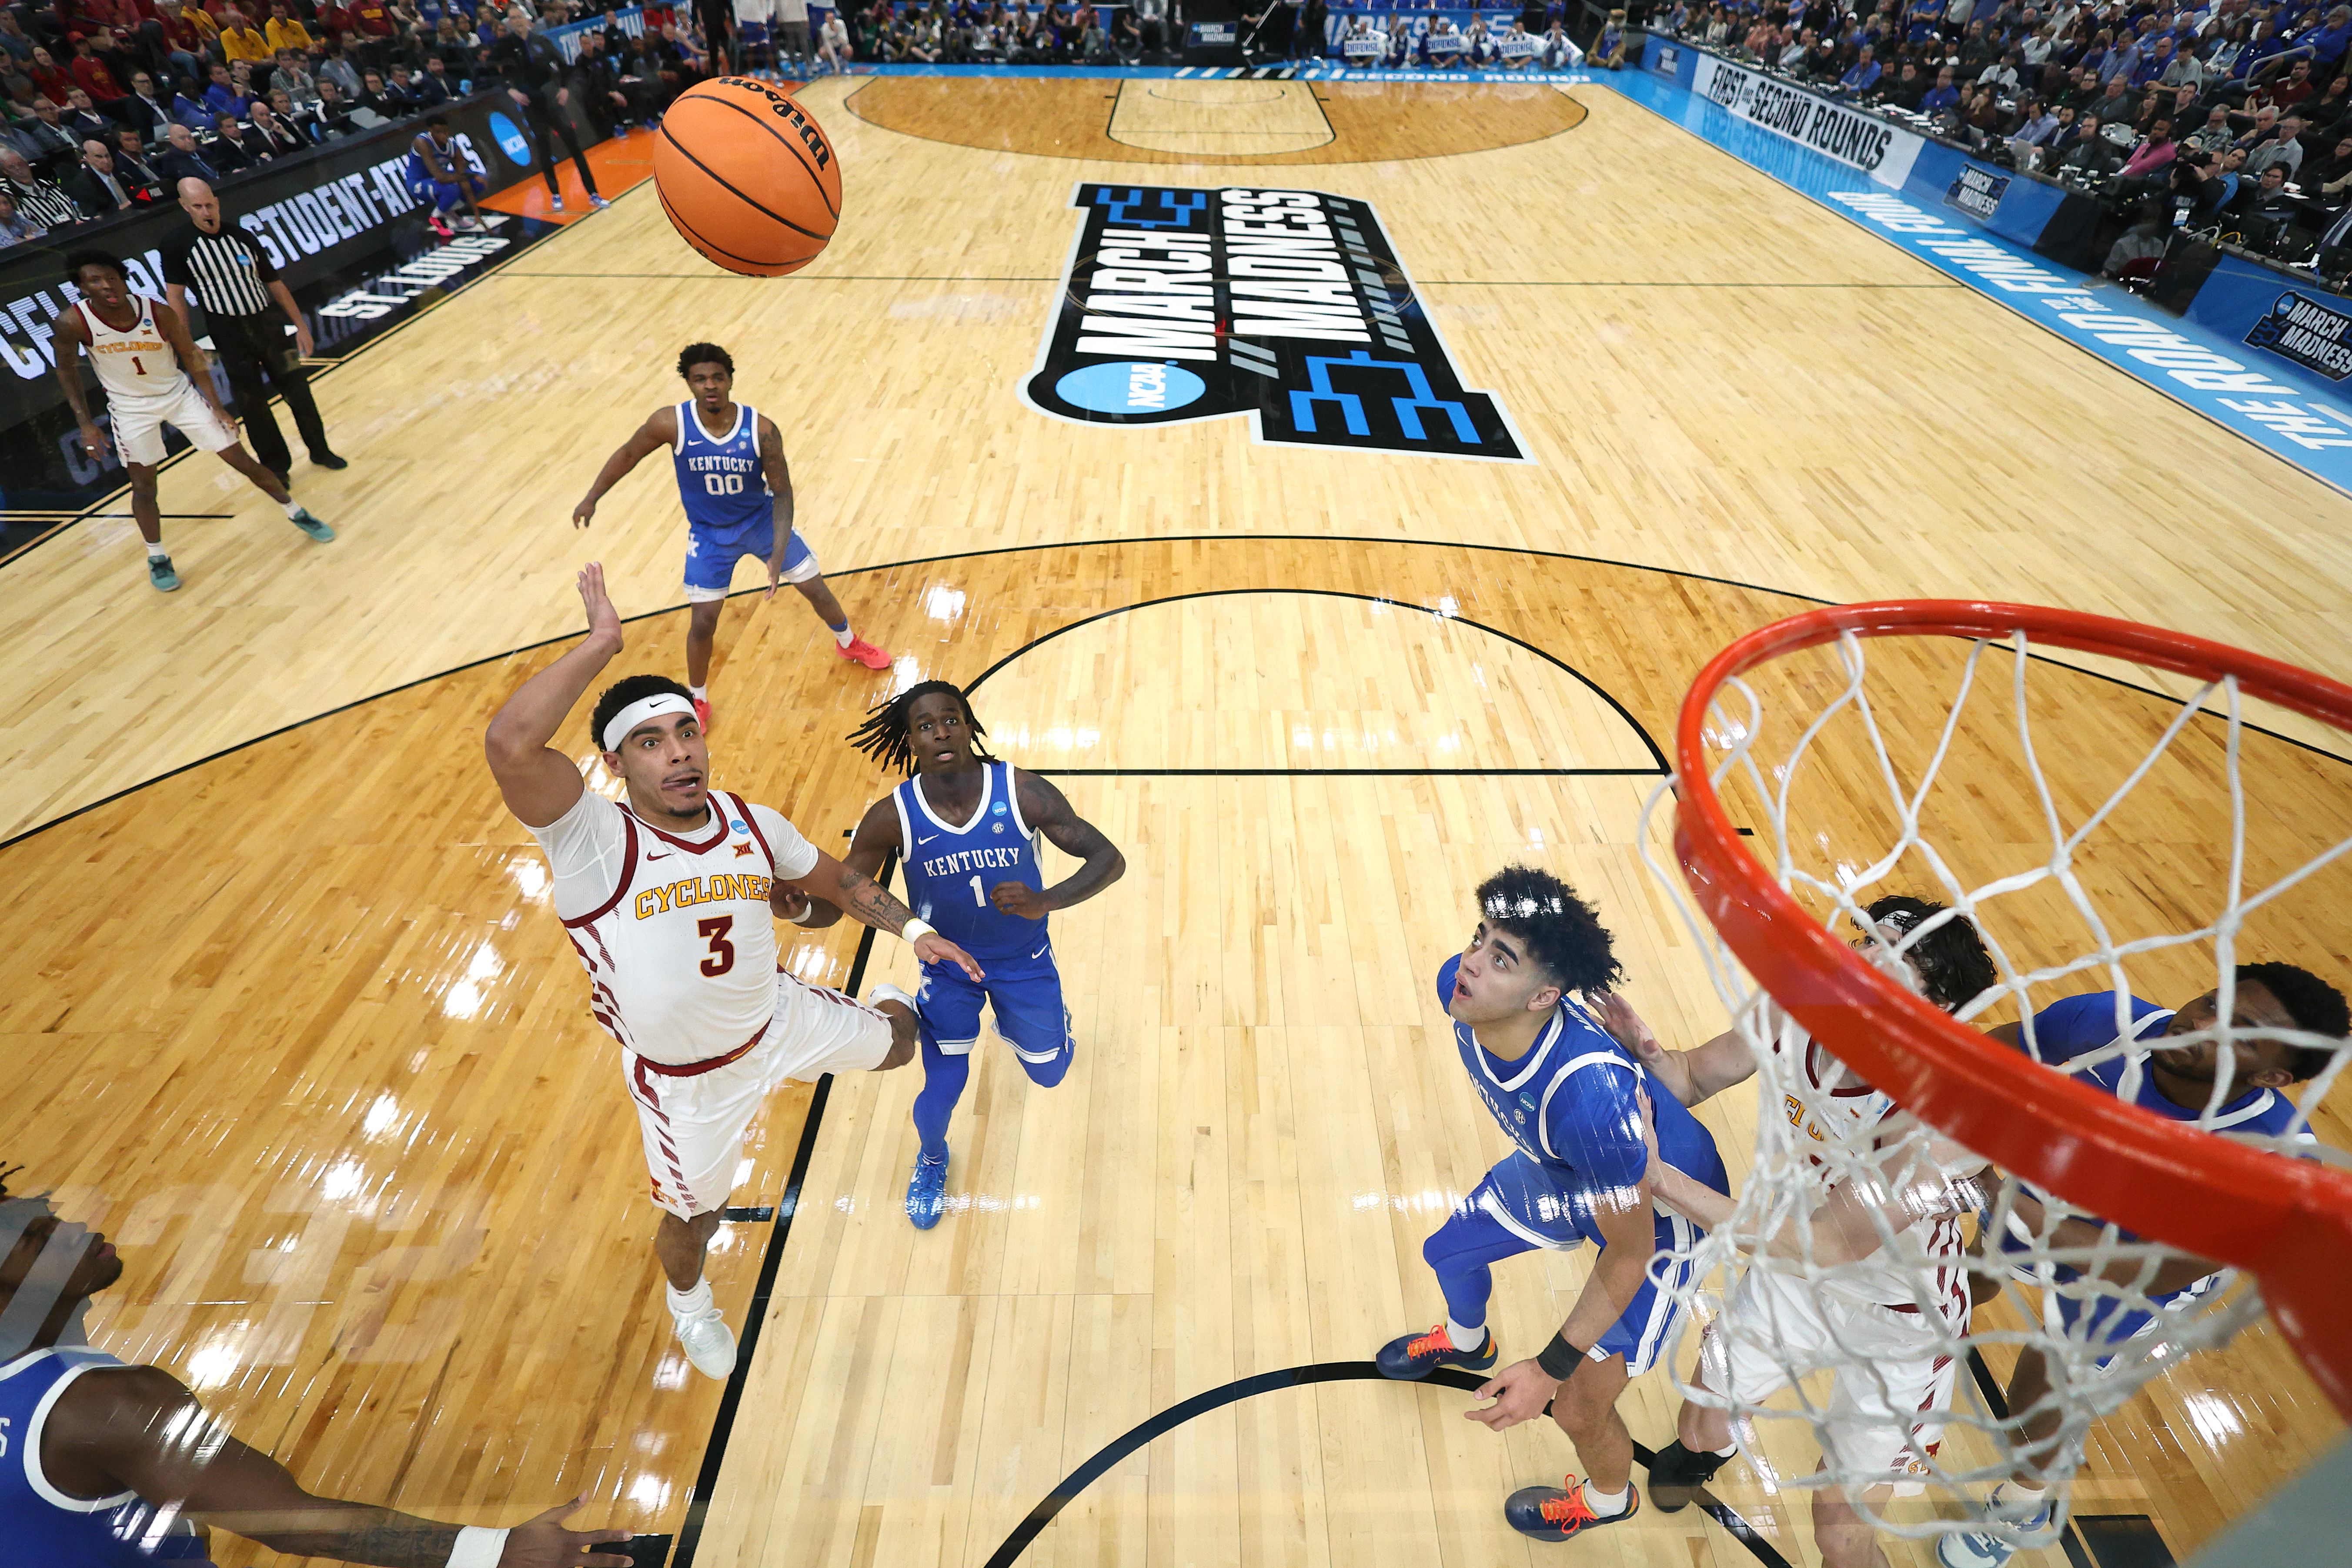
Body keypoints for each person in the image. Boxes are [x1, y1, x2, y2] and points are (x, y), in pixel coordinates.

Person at [484, 564, 980, 1378]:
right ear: (614, 767)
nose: (680, 755)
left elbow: (841, 886)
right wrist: (602, 644)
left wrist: (915, 931)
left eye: (686, 733)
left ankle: (883, 1004)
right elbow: (508, 744)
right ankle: (692, 1306)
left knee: (899, 1045)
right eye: (650, 743)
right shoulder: (589, 840)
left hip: (777, 1019)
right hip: (689, 1085)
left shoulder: (751, 822)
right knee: (696, 1218)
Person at [1605, 898, 2000, 1568]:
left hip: (1900, 1321)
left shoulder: (1941, 1113)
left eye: (1894, 957)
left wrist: (1662, 1178)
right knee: (1699, 1425)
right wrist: (1643, 1047)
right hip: (1794, 1270)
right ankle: (1719, 1447)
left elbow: (1833, 1242)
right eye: (1866, 939)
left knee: (1839, 1529)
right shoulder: (1797, 1005)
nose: (1862, 957)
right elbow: (1696, 1073)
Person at [0, 1166, 638, 1565]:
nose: (75, 1225)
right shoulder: (110, 1406)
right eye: (38, 1237)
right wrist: (498, 1551)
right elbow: (290, 1522)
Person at [1939, 966, 2346, 1568]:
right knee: (1973, 1271)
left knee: (2045, 1382)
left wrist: (1997, 1191)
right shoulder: (2106, 1022)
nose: (2200, 1024)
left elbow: (2135, 1273)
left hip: (2138, 1272)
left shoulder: (2274, 1165)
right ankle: (1935, 1329)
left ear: (2272, 1076)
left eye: (2239, 1031)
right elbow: (1987, 1056)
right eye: (2211, 1001)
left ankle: (2024, 1501)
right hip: (2051, 1190)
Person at [1374, 867, 1729, 1543]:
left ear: (1546, 995)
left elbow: (1630, 1252)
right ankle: (1468, 1341)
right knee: (1446, 1251)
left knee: (1576, 1409)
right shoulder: (1464, 990)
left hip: (1658, 1219)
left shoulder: (1592, 1103)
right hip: (1569, 1170)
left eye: (1499, 958)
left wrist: (1549, 1367)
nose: (1471, 963)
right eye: (1480, 939)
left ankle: (1605, 1500)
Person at [822, 681, 1127, 1229]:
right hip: (947, 970)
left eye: (950, 719)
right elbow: (843, 894)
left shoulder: (1022, 791)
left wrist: (1045, 900)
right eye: (924, 725)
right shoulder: (891, 815)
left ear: (968, 725)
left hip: (1024, 962)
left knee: (1052, 1074)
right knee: (943, 1085)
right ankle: (932, 1157)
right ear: (909, 740)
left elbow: (1108, 857)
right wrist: (798, 908)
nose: (940, 731)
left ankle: (1055, 1026)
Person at [571, 342, 892, 732]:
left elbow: (783, 492)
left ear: (730, 381)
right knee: (704, 622)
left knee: (816, 588)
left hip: (760, 521)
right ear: (689, 384)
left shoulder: (761, 429)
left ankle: (848, 642)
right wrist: (592, 497)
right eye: (700, 379)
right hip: (709, 536)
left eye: (717, 378)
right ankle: (698, 698)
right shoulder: (669, 423)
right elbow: (627, 455)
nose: (710, 386)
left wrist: (776, 557)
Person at [160, 178, 345, 490]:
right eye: (198, 207)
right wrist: (185, 341)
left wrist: (299, 325)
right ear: (184, 206)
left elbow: (274, 282)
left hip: (268, 324)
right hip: (228, 331)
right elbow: (176, 297)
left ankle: (320, 450)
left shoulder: (243, 236)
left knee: (298, 391)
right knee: (253, 404)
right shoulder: (176, 244)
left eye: (209, 205)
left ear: (217, 203)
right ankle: (276, 466)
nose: (206, 212)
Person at [493, 7, 605, 211]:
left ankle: (593, 193)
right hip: (532, 104)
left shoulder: (541, 41)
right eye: (513, 19)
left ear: (527, 20)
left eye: (519, 17)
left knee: (574, 146)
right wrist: (510, 90)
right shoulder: (506, 46)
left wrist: (564, 88)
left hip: (551, 99)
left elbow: (563, 64)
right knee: (544, 150)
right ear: (509, 23)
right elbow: (492, 71)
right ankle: (555, 195)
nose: (517, 21)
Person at [405, 113, 486, 234]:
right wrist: (470, 176)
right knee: (451, 188)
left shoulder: (453, 147)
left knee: (477, 183)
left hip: (439, 182)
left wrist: (477, 214)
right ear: (430, 131)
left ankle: (450, 212)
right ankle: (436, 218)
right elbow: (441, 178)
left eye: (445, 131)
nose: (444, 135)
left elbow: (463, 179)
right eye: (438, 132)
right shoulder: (422, 142)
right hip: (418, 184)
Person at [0, 144, 80, 231]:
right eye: (11, 167)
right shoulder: (9, 196)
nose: (18, 169)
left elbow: (74, 209)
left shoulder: (47, 184)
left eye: (20, 164)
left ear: (27, 164)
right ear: (6, 172)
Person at [63, 135, 143, 215]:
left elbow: (140, 194)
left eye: (107, 156)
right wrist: (119, 210)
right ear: (87, 158)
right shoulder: (83, 184)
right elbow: (93, 214)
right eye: (99, 157)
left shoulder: (122, 173)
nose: (106, 161)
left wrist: (146, 199)